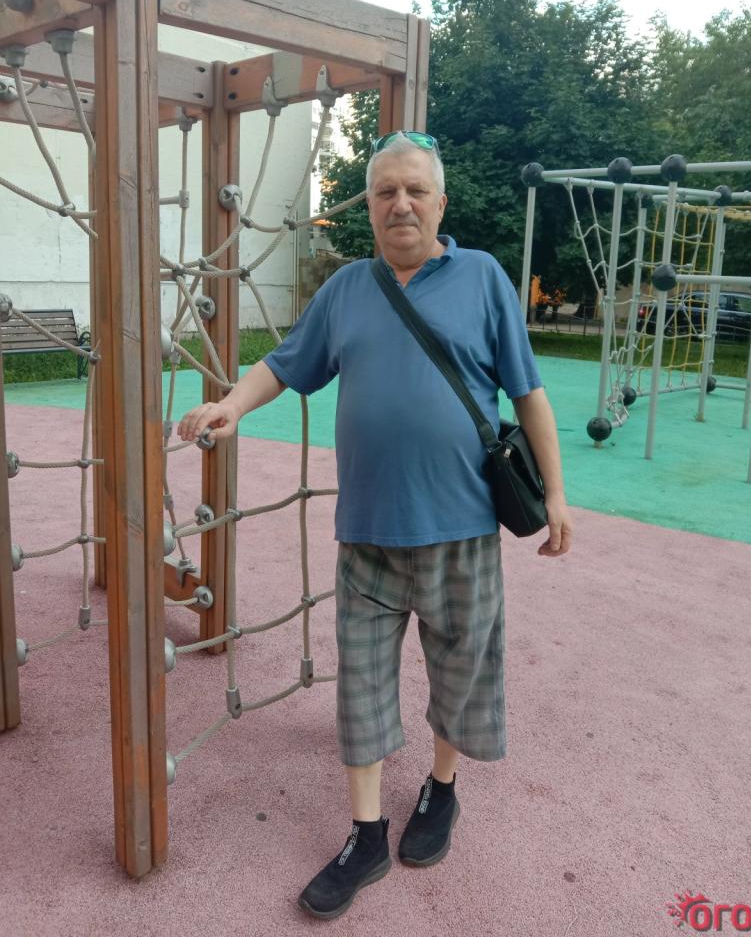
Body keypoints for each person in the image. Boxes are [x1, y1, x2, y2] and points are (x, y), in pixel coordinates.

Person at [178, 130, 573, 920]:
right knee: (360, 682)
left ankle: (441, 788)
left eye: (415, 190)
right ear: (369, 206)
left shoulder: (483, 279)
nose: (400, 204)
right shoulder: (347, 290)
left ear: (440, 203)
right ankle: (365, 837)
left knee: (459, 670)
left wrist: (556, 495)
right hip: (366, 531)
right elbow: (285, 365)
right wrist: (231, 403)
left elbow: (528, 393)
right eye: (385, 191)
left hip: (462, 526)